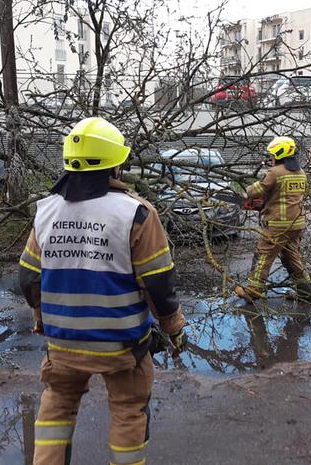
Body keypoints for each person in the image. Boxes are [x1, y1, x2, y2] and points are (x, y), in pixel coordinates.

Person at [18, 117, 186, 465]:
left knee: (56, 408)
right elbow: (158, 283)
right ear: (117, 164)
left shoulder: (46, 210)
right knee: (128, 411)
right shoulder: (136, 213)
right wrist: (174, 328)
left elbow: (28, 277)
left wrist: (41, 320)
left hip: (62, 344)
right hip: (121, 346)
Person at [235, 136, 311, 303]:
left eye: (272, 155)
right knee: (291, 257)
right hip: (297, 224)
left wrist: (246, 193)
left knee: (263, 255)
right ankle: (306, 291)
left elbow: (255, 190)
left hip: (278, 225)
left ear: (279, 154)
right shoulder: (301, 174)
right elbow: (287, 196)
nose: (270, 158)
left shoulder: (275, 172)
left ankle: (253, 291)